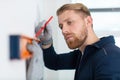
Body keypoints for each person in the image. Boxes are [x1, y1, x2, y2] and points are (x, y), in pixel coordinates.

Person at [27, 3, 120, 80]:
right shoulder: (84, 53)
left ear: (88, 21)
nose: (63, 30)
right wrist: (47, 41)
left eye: (69, 22)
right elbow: (54, 62)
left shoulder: (109, 56)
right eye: (61, 26)